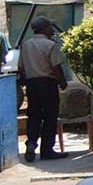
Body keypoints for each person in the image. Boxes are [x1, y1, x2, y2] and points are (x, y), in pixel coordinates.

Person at [18, 20, 68, 162]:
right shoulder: (50, 45)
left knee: (33, 115)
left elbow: (21, 67)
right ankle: (46, 150)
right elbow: (56, 67)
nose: (52, 30)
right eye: (50, 27)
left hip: (32, 84)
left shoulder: (26, 45)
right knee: (50, 116)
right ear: (44, 29)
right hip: (47, 83)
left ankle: (31, 143)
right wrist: (62, 82)